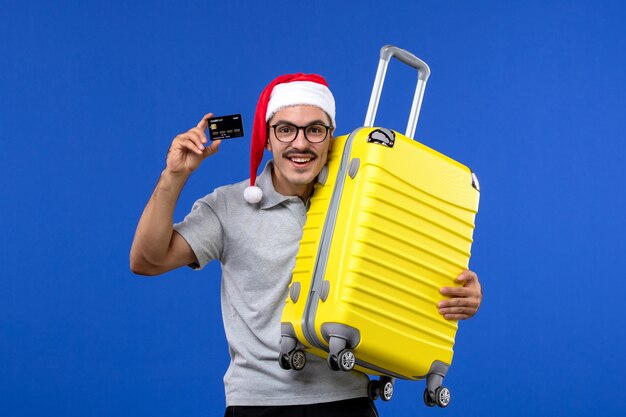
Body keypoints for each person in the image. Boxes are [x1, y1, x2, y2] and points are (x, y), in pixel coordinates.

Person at [130, 73, 482, 417]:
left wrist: (461, 292)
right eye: (285, 129)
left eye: (315, 129)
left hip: (348, 400)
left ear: (330, 137)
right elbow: (148, 260)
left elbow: (401, 271)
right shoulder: (228, 206)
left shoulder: (366, 201)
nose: (300, 143)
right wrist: (174, 175)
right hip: (257, 405)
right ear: (267, 139)